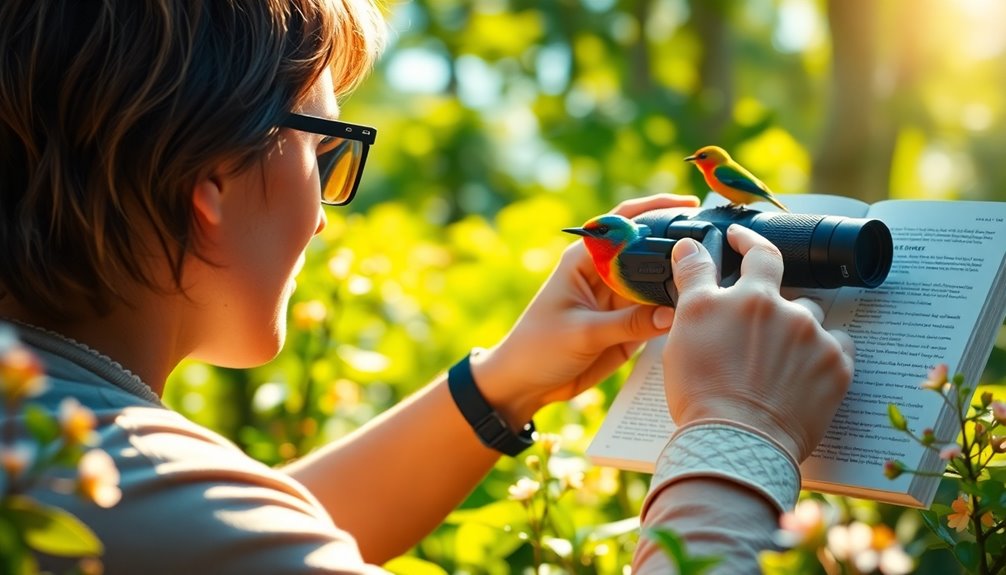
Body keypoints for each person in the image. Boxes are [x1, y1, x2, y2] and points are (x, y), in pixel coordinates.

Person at [0, 1, 854, 573]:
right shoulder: (127, 487)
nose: (326, 213)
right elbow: (219, 532)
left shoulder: (49, 440)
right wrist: (740, 434)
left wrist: (503, 385)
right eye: (325, 150)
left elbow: (243, 527)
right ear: (214, 179)